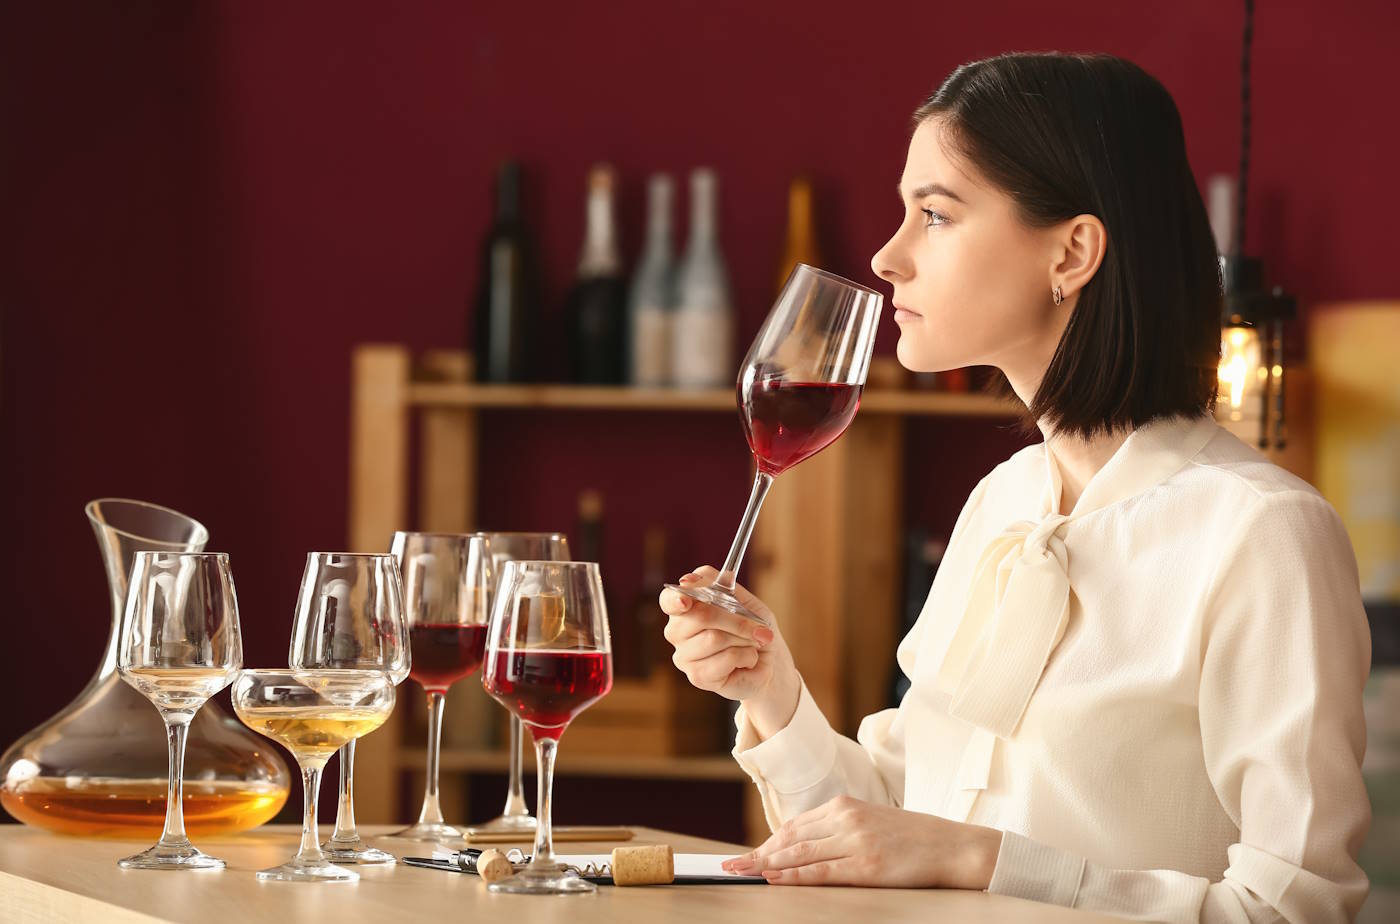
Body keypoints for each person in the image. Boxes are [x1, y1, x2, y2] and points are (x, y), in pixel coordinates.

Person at [659, 52, 1371, 923]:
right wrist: (773, 692)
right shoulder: (1003, 502)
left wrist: (984, 861)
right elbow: (893, 832)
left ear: (1072, 251)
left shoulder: (1262, 534)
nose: (887, 257)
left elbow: (1298, 910)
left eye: (935, 214)